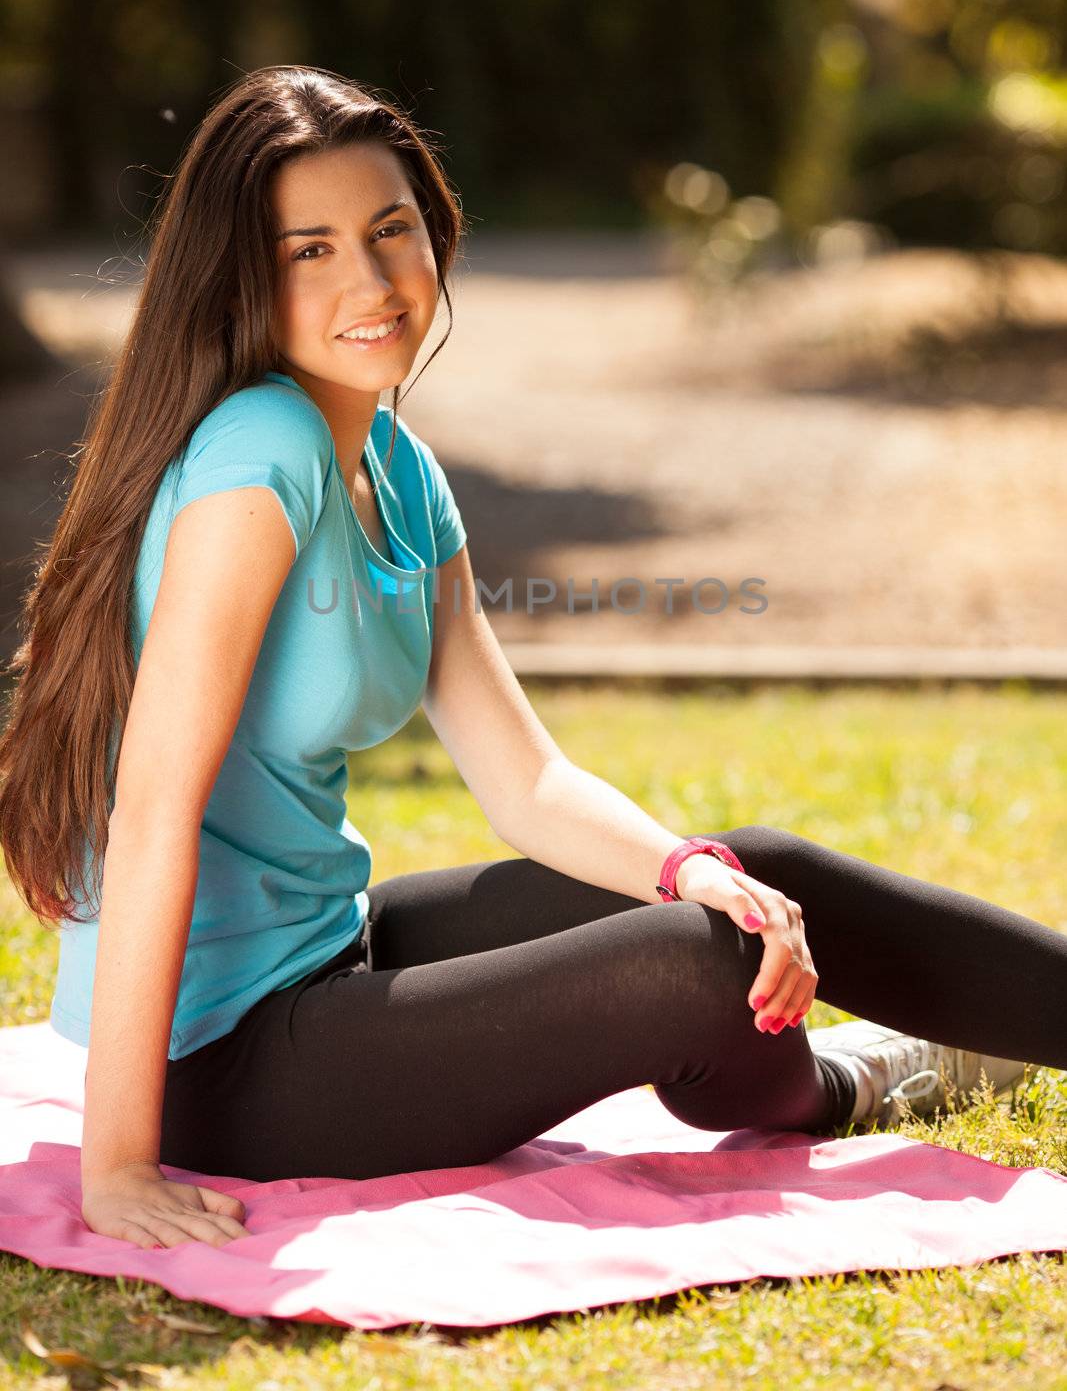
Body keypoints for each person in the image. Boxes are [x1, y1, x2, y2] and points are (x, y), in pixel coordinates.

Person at [1, 66, 1063, 1257]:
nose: (368, 278)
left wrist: (678, 865)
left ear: (434, 227)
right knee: (701, 960)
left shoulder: (395, 467)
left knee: (737, 877)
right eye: (309, 250)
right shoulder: (264, 451)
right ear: (241, 277)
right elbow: (152, 811)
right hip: (219, 1057)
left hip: (331, 948)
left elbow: (524, 779)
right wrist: (118, 1165)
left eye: (388, 228)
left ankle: (914, 1038)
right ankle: (847, 1088)